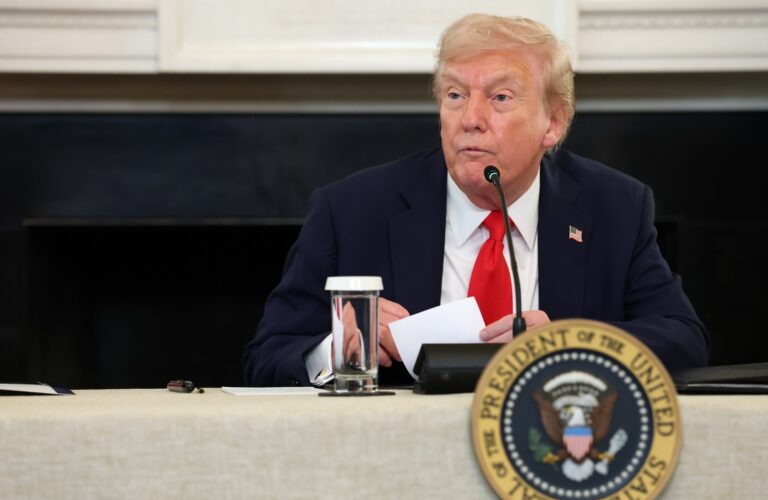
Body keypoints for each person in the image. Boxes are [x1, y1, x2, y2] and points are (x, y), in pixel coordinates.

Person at [243, 13, 709, 387]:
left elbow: (685, 341)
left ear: (553, 123)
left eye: (500, 97)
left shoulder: (614, 207)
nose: (470, 118)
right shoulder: (352, 210)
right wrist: (336, 350)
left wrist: (571, 345)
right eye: (455, 95)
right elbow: (266, 357)